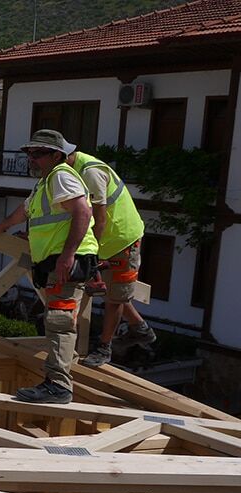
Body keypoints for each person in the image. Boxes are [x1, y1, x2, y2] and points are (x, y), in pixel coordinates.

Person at [0, 129, 99, 404]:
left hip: (64, 261)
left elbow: (83, 212)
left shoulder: (61, 176)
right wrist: (1, 227)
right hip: (53, 261)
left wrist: (68, 254)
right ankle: (57, 379)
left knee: (60, 323)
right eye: (29, 154)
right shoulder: (45, 183)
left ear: (57, 155)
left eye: (38, 154)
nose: (32, 159)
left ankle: (59, 386)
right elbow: (24, 212)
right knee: (57, 321)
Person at [69, 150, 156, 367]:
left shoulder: (91, 172)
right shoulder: (66, 171)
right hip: (106, 241)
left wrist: (90, 252)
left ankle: (103, 348)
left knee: (114, 297)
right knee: (111, 289)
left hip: (121, 239)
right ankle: (140, 328)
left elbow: (99, 218)